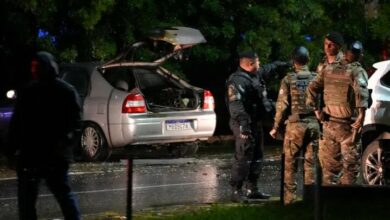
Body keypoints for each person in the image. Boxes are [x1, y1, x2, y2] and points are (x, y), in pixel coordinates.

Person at [6, 51, 82, 220]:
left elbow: (17, 124)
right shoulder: (63, 91)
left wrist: (11, 150)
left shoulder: (33, 92)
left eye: (36, 67)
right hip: (45, 154)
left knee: (31, 198)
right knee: (61, 195)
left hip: (39, 154)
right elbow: (75, 124)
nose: (33, 70)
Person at [226, 50, 290, 202]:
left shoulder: (254, 75)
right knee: (244, 155)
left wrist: (282, 65)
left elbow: (268, 69)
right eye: (258, 62)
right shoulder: (237, 81)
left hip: (255, 121)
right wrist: (243, 125)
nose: (260, 64)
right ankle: (236, 190)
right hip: (243, 123)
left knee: (257, 155)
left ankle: (252, 188)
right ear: (250, 64)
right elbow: (235, 105)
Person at [306, 36, 369, 185]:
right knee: (349, 169)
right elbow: (362, 94)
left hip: (329, 125)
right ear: (359, 54)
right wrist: (361, 116)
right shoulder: (357, 71)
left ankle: (328, 205)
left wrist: (317, 111)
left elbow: (311, 88)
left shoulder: (328, 68)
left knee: (329, 171)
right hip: (348, 128)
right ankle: (344, 205)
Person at [269, 46, 320, 204]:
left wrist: (275, 127)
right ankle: (310, 201)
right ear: (308, 59)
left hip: (295, 126)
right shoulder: (316, 77)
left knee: (290, 165)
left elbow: (282, 105)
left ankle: (289, 201)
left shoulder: (288, 79)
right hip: (314, 125)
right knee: (311, 164)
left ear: (293, 61)